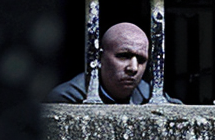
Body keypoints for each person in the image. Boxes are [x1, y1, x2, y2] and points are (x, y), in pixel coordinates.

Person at [46, 22, 178, 104]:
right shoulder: (68, 98)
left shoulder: (149, 95)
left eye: (141, 60)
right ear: (98, 58)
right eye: (123, 56)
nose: (134, 68)